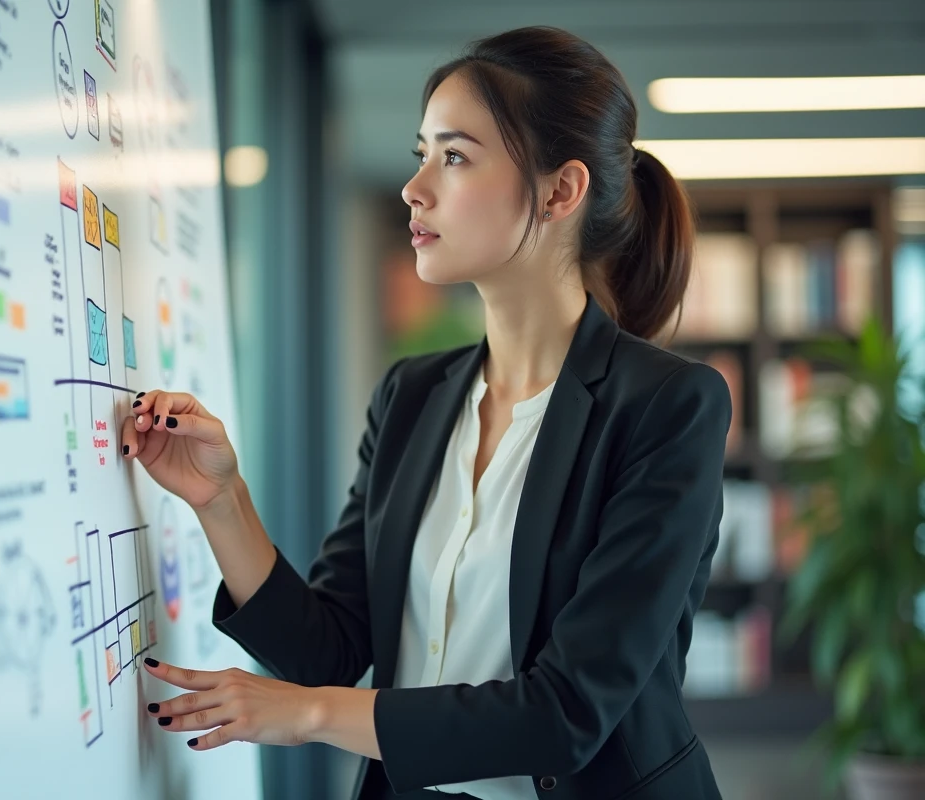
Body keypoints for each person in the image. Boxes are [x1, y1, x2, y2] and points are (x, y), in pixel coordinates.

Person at [119, 25, 729, 800]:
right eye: (421, 153)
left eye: (455, 156)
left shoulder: (668, 406)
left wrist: (307, 715)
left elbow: (570, 711)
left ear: (559, 191)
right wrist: (222, 498)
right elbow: (330, 650)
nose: (416, 187)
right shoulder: (412, 397)